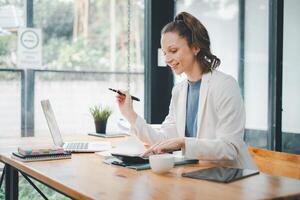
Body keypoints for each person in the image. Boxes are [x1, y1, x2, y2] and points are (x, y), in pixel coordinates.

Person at [116, 12, 256, 169]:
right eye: (164, 53)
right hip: (199, 176)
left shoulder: (225, 85)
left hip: (233, 177)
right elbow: (162, 140)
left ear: (195, 47)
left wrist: (183, 142)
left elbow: (230, 148)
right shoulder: (179, 91)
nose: (167, 59)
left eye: (173, 50)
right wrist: (130, 114)